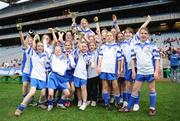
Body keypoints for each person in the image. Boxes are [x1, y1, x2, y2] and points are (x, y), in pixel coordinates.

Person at [119, 27, 160, 116]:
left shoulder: (153, 45)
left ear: (148, 35)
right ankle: (129, 107)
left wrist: (156, 71)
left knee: (152, 89)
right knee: (135, 89)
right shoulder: (135, 46)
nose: (143, 35)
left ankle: (152, 108)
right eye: (142, 33)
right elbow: (133, 60)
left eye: (145, 33)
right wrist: (134, 71)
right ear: (139, 35)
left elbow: (157, 59)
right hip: (140, 72)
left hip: (150, 71)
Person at [15, 39, 49, 116]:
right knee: (32, 92)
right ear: (36, 47)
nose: (40, 47)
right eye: (38, 46)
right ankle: (20, 108)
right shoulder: (33, 53)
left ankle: (40, 103)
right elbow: (24, 43)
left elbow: (47, 67)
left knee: (43, 94)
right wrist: (31, 37)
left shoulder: (46, 55)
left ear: (43, 47)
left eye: (41, 46)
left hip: (43, 77)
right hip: (34, 76)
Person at [97, 31, 122, 110]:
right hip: (104, 69)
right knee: (105, 86)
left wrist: (119, 69)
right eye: (107, 35)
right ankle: (106, 103)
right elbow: (100, 58)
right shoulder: (103, 46)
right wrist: (99, 67)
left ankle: (118, 103)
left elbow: (119, 59)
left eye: (110, 35)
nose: (109, 37)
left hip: (113, 69)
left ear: (113, 36)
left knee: (115, 86)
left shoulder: (117, 46)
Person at [47, 46, 75, 111]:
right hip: (53, 76)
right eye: (56, 50)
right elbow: (47, 50)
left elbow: (73, 65)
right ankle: (50, 104)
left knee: (67, 93)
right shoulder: (52, 57)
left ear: (61, 51)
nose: (57, 51)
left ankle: (60, 103)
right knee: (50, 94)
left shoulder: (65, 60)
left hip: (62, 78)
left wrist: (70, 56)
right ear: (54, 51)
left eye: (59, 50)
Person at [73, 41, 92, 110]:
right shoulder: (77, 52)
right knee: (78, 88)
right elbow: (78, 48)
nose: (83, 48)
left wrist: (84, 54)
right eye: (82, 46)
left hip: (83, 75)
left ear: (87, 48)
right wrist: (80, 48)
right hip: (76, 74)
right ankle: (79, 100)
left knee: (83, 88)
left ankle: (84, 103)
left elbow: (88, 61)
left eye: (85, 47)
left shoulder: (88, 55)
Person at [87, 41, 99, 107]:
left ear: (95, 46)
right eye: (90, 45)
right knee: (88, 87)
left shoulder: (97, 52)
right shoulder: (87, 53)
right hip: (88, 73)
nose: (91, 46)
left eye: (93, 45)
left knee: (94, 87)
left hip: (95, 73)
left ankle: (94, 100)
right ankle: (88, 99)